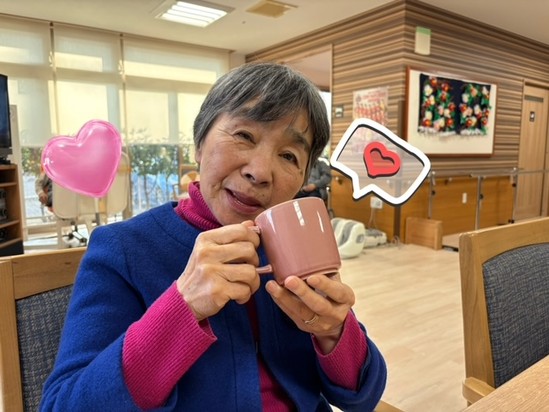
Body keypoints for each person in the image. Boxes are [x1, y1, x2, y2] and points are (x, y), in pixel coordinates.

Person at [40, 62, 387, 411]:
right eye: (244, 136)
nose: (260, 172)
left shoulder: (293, 246)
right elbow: (64, 405)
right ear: (199, 144)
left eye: (288, 155)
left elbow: (363, 397)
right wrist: (183, 305)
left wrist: (333, 331)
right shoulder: (122, 249)